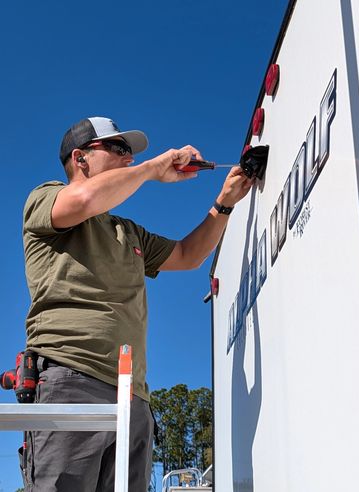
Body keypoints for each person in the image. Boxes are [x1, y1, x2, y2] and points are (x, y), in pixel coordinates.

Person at [22, 116, 254, 491]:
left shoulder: (127, 232)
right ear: (80, 158)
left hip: (133, 394)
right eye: (117, 148)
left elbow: (187, 254)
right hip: (71, 380)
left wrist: (223, 204)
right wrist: (152, 169)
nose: (128, 158)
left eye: (130, 152)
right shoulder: (45, 198)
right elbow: (84, 198)